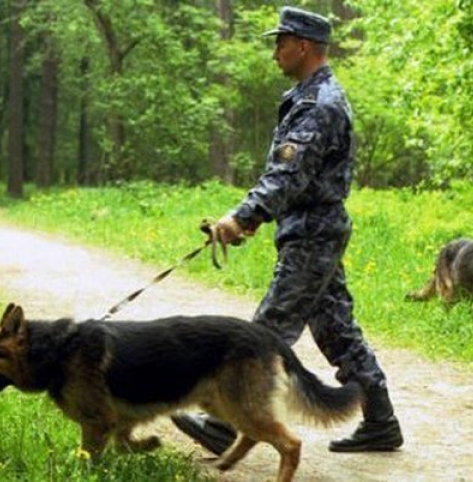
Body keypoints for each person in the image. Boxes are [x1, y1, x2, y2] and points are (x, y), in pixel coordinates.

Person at [172, 6, 404, 454]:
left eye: (280, 42)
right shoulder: (307, 97)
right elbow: (292, 179)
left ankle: (222, 426)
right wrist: (257, 216)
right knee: (337, 330)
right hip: (312, 228)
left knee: (265, 333)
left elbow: (287, 176)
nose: (274, 50)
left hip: (313, 233)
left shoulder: (319, 105)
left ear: (303, 45)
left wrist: (244, 217)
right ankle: (382, 422)